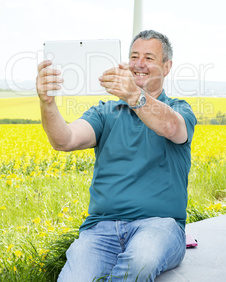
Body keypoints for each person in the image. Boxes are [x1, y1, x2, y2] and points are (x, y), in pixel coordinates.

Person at [36, 30, 197, 282]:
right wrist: (47, 104)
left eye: (149, 58)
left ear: (167, 67)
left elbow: (170, 128)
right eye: (134, 56)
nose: (139, 64)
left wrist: (134, 96)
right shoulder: (104, 112)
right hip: (100, 230)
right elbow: (64, 140)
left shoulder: (179, 109)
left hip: (160, 227)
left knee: (140, 261)